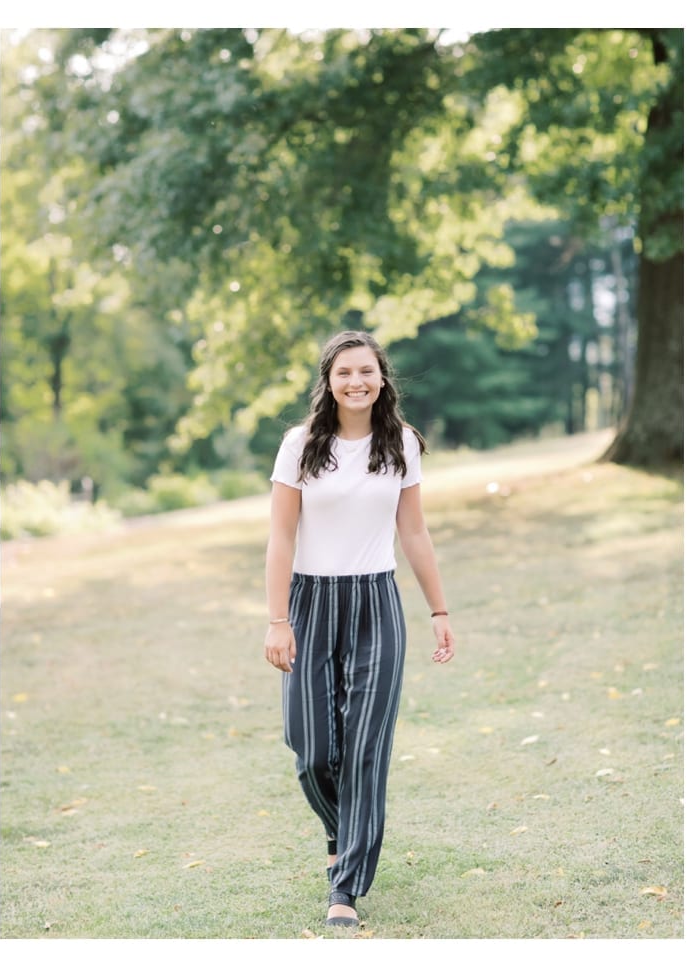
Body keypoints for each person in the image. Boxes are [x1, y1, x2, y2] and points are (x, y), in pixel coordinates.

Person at [263, 329, 455, 930]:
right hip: (311, 602)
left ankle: (345, 887)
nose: (357, 382)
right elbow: (281, 537)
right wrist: (277, 620)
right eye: (345, 372)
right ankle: (342, 832)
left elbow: (415, 533)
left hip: (376, 602)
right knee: (312, 749)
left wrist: (439, 611)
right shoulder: (299, 446)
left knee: (367, 749)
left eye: (367, 371)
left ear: (382, 378)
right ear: (328, 380)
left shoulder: (400, 443)